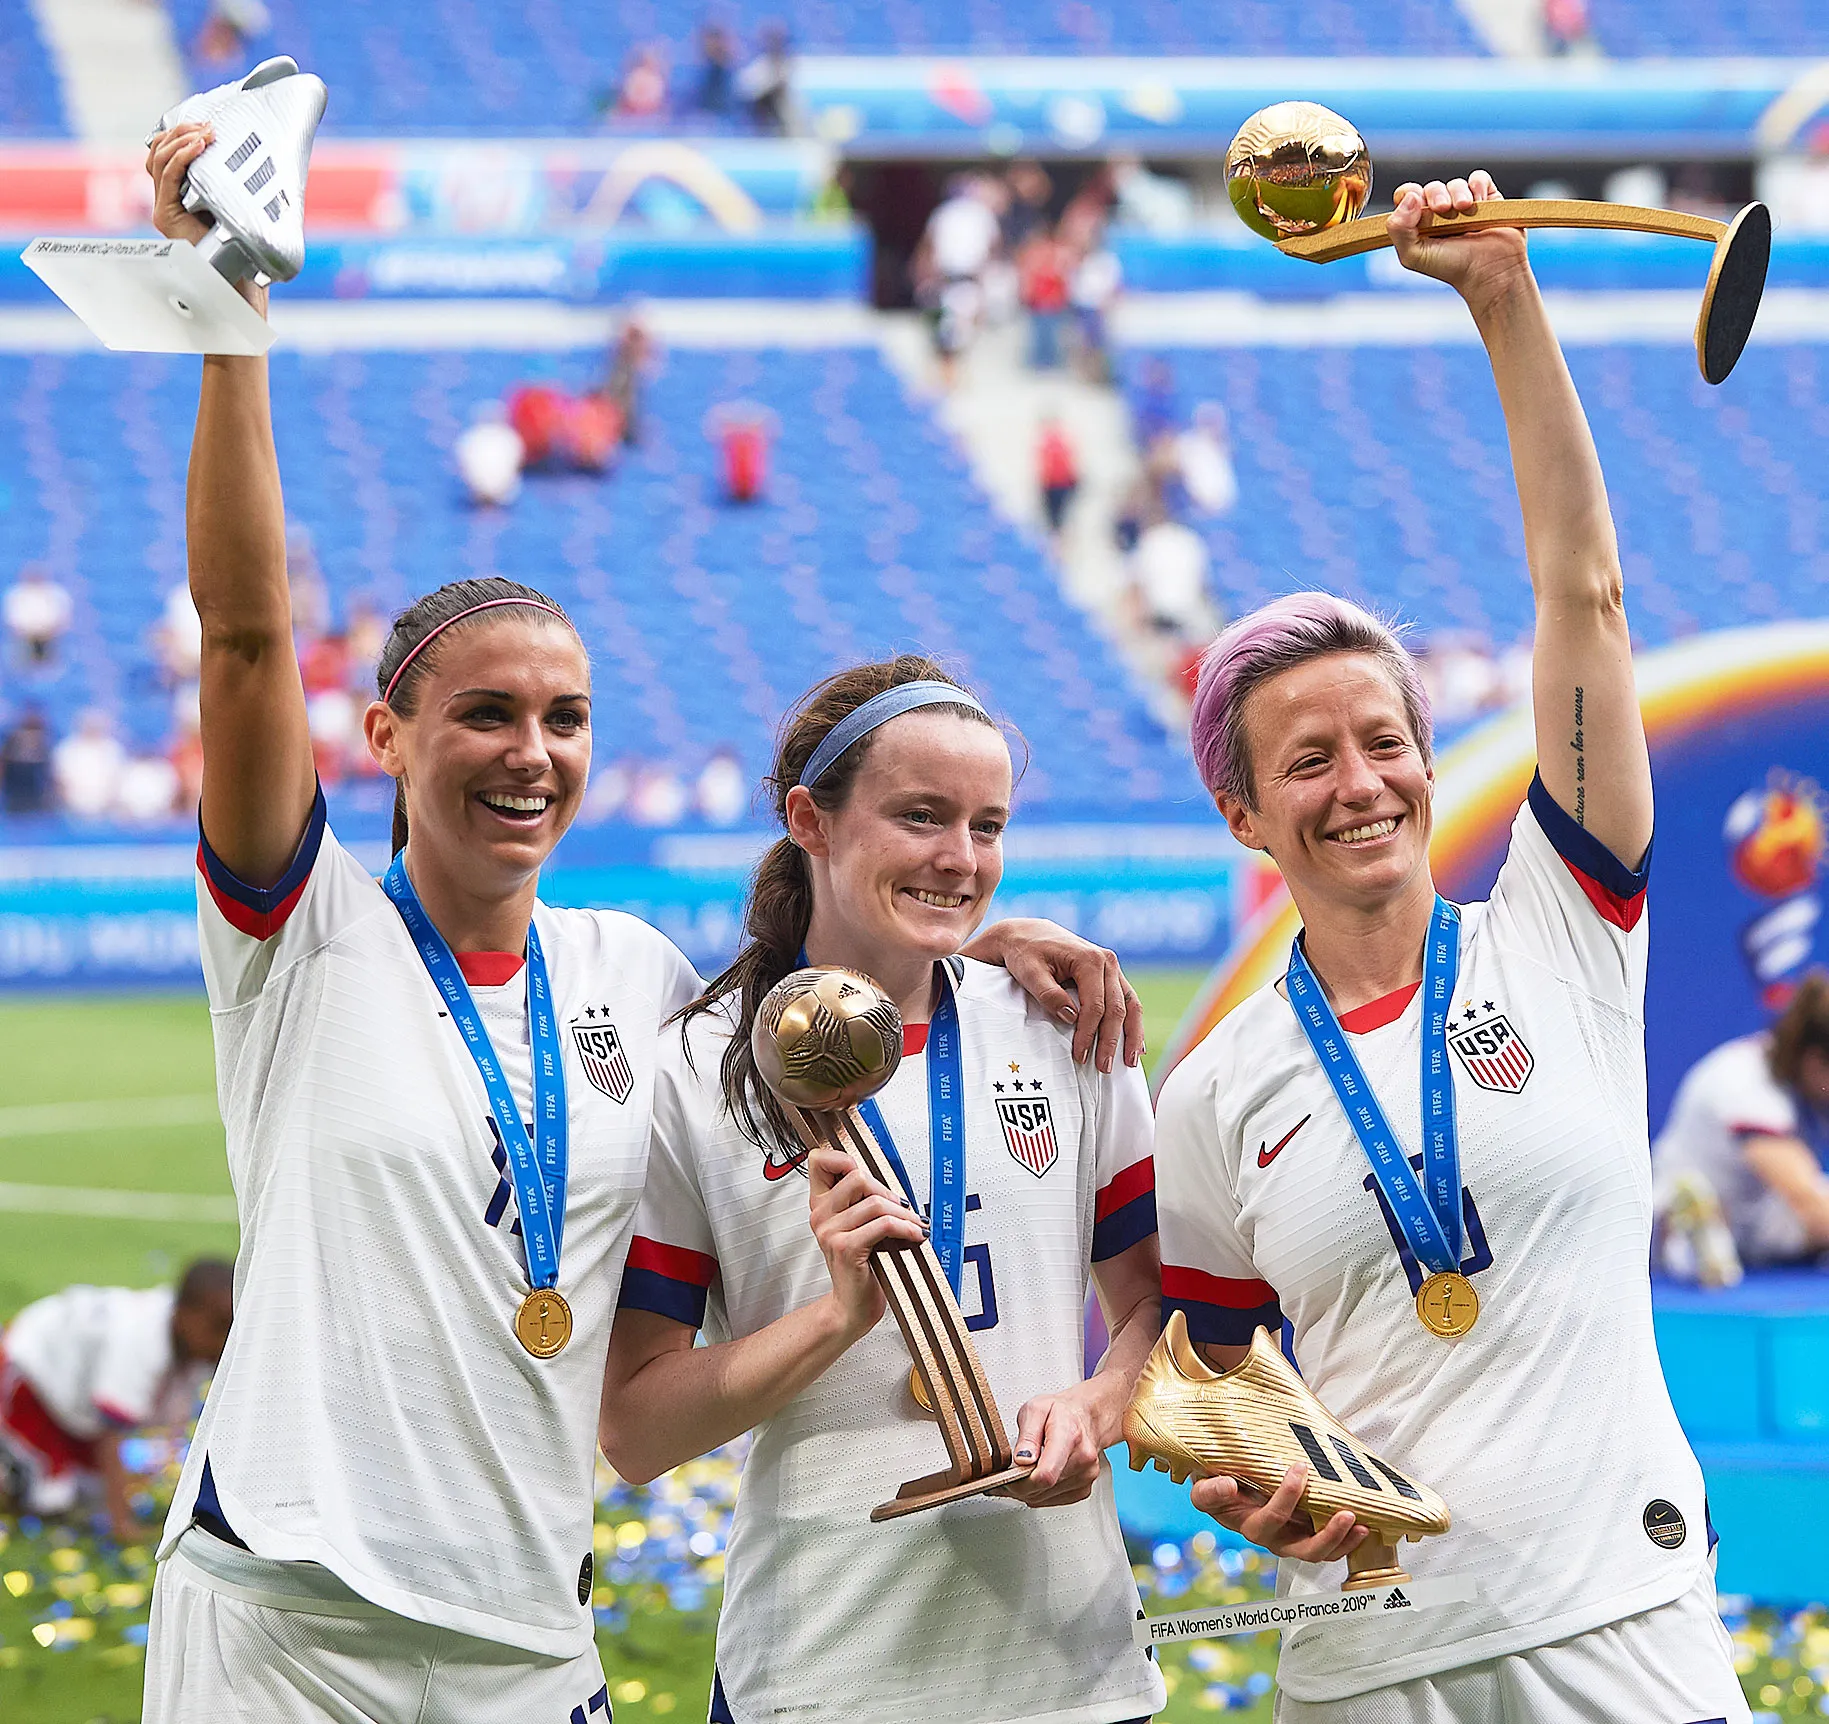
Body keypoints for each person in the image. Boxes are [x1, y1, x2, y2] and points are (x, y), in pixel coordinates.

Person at [140, 117, 1142, 1724]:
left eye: (566, 717)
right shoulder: (300, 938)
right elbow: (251, 638)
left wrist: (988, 942)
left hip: (533, 1631)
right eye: (483, 714)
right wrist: (233, 323)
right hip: (289, 1620)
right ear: (385, 738)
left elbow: (825, 981)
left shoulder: (640, 981)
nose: (530, 753)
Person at [1153, 173, 1746, 1722]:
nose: (1358, 785)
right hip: (1371, 1663)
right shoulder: (1215, 1094)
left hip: (1623, 1626)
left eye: (1382, 741)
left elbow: (1585, 598)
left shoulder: (1565, 927)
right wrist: (1260, 1491)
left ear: (1427, 754)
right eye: (1306, 761)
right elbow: (1224, 1384)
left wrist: (1503, 299)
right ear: (1242, 812)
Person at [600, 658, 1163, 1724]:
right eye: (919, 815)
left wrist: (1098, 1404)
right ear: (809, 818)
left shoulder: (1066, 1025)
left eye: (986, 825)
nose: (959, 859)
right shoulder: (694, 1066)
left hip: (1068, 1673)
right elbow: (635, 1429)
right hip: (817, 1675)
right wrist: (833, 1316)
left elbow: (1151, 1308)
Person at [0, 1260, 233, 1543]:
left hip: (73, 1405)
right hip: (30, 1373)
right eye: (218, 1328)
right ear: (185, 1314)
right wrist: (122, 1524)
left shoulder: (188, 1342)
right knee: (47, 1497)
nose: (225, 1341)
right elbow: (110, 1436)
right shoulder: (141, 1340)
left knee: (84, 1495)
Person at [1653, 972, 1829, 1273]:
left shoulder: (1793, 1074)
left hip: (1757, 1214)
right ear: (1815, 1062)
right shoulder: (1745, 1084)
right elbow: (1809, 1204)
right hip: (1682, 1208)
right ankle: (1691, 1238)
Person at [4, 562, 74, 666]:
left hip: (50, 636)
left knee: (53, 659)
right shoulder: (16, 595)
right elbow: (12, 620)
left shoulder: (56, 593)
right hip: (24, 636)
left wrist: (50, 630)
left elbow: (64, 617)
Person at [1, 706, 53, 814]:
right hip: (14, 795)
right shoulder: (12, 741)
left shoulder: (45, 744)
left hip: (36, 796)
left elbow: (49, 774)